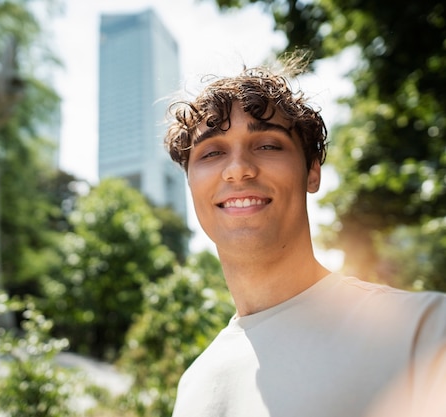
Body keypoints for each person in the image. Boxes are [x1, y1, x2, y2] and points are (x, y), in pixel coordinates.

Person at [163, 54, 446, 417]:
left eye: (267, 145)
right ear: (190, 183)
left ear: (312, 171)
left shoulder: (423, 332)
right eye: (212, 152)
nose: (237, 170)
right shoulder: (194, 386)